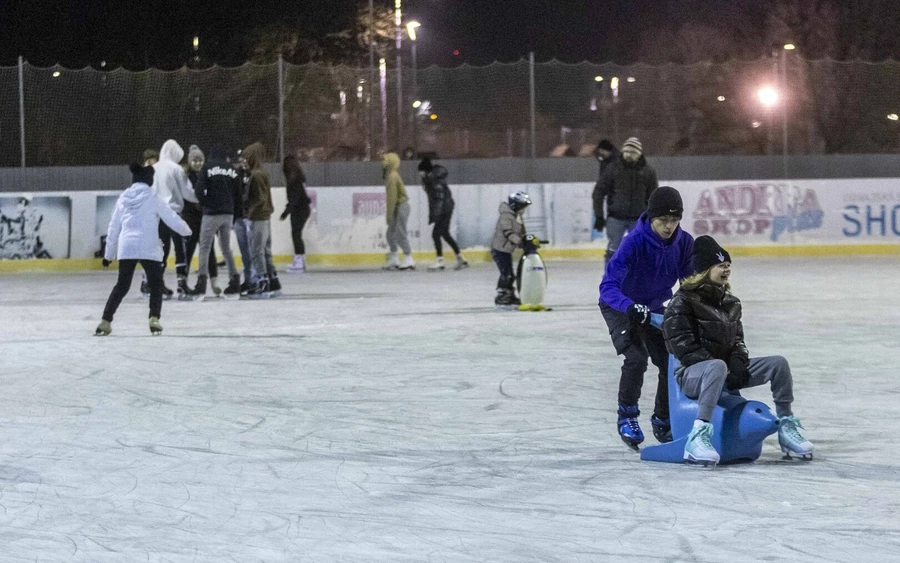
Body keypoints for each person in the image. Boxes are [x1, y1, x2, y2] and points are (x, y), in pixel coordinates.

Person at [662, 236, 814, 464]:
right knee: (716, 366)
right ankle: (698, 434)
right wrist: (721, 366)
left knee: (778, 364)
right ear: (704, 270)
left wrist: (737, 361)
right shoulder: (682, 301)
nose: (726, 270)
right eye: (720, 265)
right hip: (693, 375)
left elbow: (738, 341)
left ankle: (786, 424)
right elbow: (681, 345)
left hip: (724, 370)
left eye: (728, 265)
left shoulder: (731, 302)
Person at [598, 186, 694, 450]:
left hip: (653, 308)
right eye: (663, 220)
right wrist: (629, 307)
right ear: (651, 217)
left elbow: (689, 283)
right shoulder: (633, 243)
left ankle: (663, 418)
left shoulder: (684, 243)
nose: (669, 227)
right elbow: (607, 287)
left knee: (670, 360)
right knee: (637, 358)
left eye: (674, 221)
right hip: (619, 307)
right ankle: (627, 415)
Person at [95, 163, 191, 336]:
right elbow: (171, 217)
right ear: (149, 180)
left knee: (122, 285)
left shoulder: (123, 197)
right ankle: (154, 318)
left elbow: (113, 227)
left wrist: (108, 254)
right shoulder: (153, 196)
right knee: (156, 284)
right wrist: (187, 231)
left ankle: (105, 321)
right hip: (149, 246)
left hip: (127, 246)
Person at [593, 137, 658, 265]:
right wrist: (599, 216)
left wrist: (652, 218)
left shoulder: (648, 171)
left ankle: (638, 281)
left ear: (638, 154)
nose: (628, 156)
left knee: (640, 252)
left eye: (632, 153)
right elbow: (598, 192)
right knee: (613, 251)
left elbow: (654, 197)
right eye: (626, 152)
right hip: (616, 217)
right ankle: (610, 281)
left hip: (638, 219)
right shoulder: (612, 169)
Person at [191, 146, 242, 300]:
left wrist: (206, 204)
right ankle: (235, 280)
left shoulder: (207, 167)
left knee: (205, 248)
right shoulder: (232, 169)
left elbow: (199, 191)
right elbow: (238, 194)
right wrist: (235, 214)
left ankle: (201, 283)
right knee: (226, 248)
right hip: (228, 214)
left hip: (211, 214)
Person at [147, 139, 194, 299]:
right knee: (180, 249)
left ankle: (156, 284)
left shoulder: (154, 168)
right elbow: (187, 192)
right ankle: (182, 284)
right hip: (174, 214)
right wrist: (202, 197)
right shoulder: (176, 169)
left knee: (162, 250)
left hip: (158, 215)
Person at [179, 144, 220, 298]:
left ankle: (214, 281)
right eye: (194, 160)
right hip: (190, 219)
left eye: (200, 160)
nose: (197, 163)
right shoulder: (184, 176)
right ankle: (182, 281)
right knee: (187, 251)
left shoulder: (207, 175)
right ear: (189, 161)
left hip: (205, 218)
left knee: (209, 251)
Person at [243, 142, 282, 298]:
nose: (245, 161)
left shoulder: (256, 175)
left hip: (258, 217)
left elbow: (260, 198)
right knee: (265, 251)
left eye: (247, 157)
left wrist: (249, 212)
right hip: (264, 216)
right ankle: (274, 282)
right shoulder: (261, 173)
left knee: (256, 251)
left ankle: (262, 283)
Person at [418, 157, 468, 271]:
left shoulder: (436, 182)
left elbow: (439, 200)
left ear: (426, 171)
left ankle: (440, 261)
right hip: (446, 208)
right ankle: (461, 258)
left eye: (421, 171)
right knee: (445, 234)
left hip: (444, 210)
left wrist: (436, 215)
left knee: (436, 234)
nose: (420, 174)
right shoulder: (431, 180)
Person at [491, 191, 531, 306]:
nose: (524, 210)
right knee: (506, 274)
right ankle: (502, 295)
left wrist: (526, 239)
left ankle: (509, 295)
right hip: (499, 250)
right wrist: (519, 242)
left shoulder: (517, 216)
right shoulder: (506, 216)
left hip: (506, 250)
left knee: (510, 274)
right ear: (516, 205)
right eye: (522, 206)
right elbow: (508, 233)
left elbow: (522, 232)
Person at [381, 152, 414, 270]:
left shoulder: (392, 176)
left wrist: (389, 216)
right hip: (398, 206)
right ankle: (394, 258)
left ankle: (408, 258)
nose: (382, 163)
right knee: (390, 234)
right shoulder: (391, 175)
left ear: (391, 162)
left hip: (401, 206)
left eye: (385, 161)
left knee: (400, 233)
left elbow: (392, 198)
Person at [280, 155, 311, 273]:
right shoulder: (298, 179)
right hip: (301, 209)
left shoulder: (295, 180)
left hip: (300, 210)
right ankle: (300, 260)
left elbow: (295, 198)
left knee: (296, 234)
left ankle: (299, 261)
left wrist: (286, 212)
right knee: (296, 234)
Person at [591, 138, 618, 232]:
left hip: (618, 202)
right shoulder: (605, 161)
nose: (600, 153)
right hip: (612, 201)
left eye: (602, 150)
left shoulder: (616, 162)